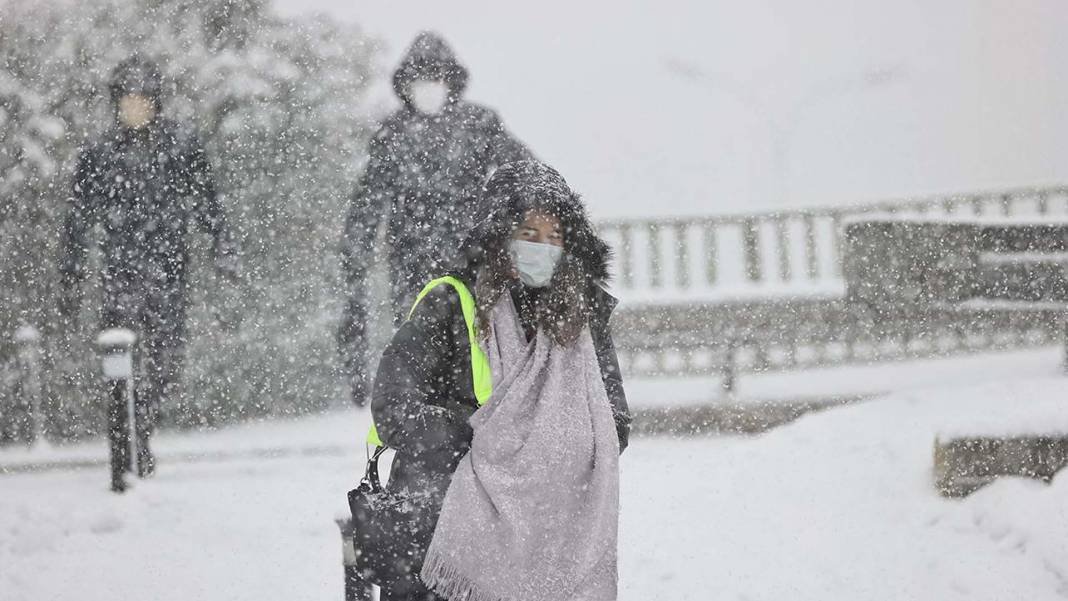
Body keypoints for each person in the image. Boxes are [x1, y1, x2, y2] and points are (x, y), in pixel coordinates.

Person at [369, 161, 630, 601]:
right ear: (498, 238)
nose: (541, 248)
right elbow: (394, 403)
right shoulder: (451, 303)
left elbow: (614, 420)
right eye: (528, 235)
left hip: (551, 522)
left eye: (554, 237)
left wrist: (544, 449)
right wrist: (475, 441)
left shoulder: (581, 318)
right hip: (446, 516)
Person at [59, 55, 240, 492]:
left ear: (156, 103)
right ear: (116, 104)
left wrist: (223, 251)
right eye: (128, 100)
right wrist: (71, 274)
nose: (135, 107)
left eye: (143, 100)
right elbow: (78, 219)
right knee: (120, 365)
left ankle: (142, 430)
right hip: (119, 274)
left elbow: (208, 204)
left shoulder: (182, 146)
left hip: (170, 272)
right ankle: (125, 452)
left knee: (163, 366)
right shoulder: (99, 154)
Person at [339, 31, 531, 406]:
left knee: (476, 351)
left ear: (450, 81)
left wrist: (526, 221)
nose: (428, 88)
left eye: (435, 78)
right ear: (406, 86)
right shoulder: (392, 135)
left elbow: (523, 170)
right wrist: (355, 251)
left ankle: (480, 422)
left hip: (474, 263)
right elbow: (366, 205)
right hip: (412, 269)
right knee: (421, 356)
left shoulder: (478, 125)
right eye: (419, 80)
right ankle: (430, 427)